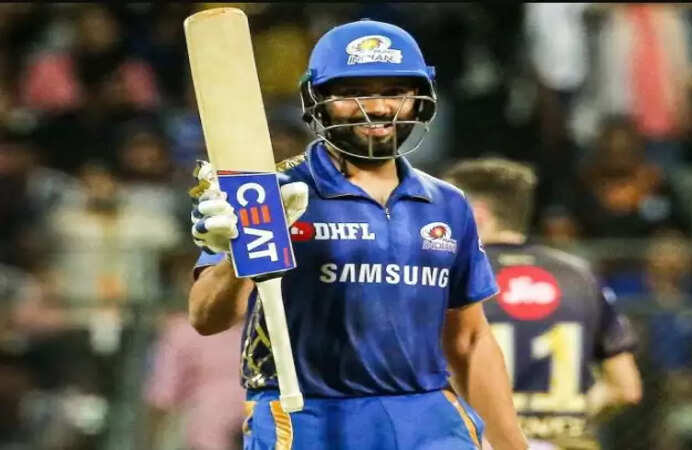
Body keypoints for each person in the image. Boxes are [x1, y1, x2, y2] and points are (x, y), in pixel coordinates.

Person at [187, 18, 527, 450]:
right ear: (318, 100)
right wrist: (238, 255)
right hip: (307, 414)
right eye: (354, 93)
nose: (377, 108)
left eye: (394, 92)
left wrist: (513, 445)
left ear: (420, 99)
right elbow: (206, 318)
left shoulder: (447, 203)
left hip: (428, 418)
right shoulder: (270, 192)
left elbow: (470, 340)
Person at [443, 158, 642, 450]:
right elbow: (625, 388)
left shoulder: (450, 277)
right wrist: (563, 422)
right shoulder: (581, 276)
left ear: (478, 214)